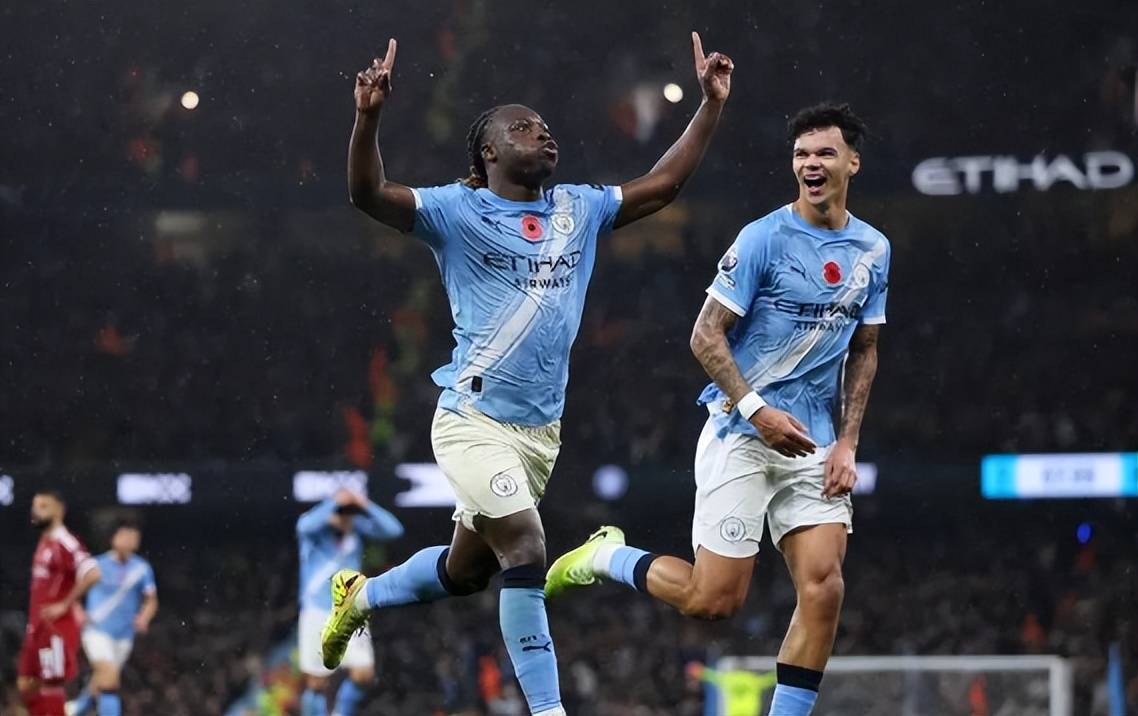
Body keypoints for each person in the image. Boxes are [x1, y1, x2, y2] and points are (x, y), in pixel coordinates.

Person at [321, 32, 734, 716]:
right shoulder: (456, 211)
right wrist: (367, 118)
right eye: (522, 128)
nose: (542, 133)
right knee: (526, 545)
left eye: (544, 127)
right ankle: (548, 711)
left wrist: (710, 105)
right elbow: (367, 194)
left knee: (465, 572)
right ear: (488, 153)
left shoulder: (579, 207)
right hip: (472, 421)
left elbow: (663, 186)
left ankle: (360, 597)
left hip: (539, 434)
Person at [546, 102, 890, 716]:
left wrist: (848, 442)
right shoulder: (763, 238)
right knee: (713, 601)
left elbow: (865, 348)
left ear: (852, 163)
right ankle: (604, 556)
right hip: (743, 433)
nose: (811, 164)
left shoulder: (874, 248)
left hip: (814, 442)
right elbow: (705, 335)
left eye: (825, 153)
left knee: (824, 587)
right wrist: (758, 411)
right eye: (801, 154)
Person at [297, 489, 403, 716]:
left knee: (363, 674)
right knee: (316, 682)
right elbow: (303, 526)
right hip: (316, 611)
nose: (346, 516)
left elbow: (394, 530)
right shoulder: (315, 532)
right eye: (341, 512)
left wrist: (365, 504)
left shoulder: (356, 530)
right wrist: (333, 503)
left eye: (350, 512)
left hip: (349, 610)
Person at [18, 490, 101, 716]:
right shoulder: (45, 541)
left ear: (59, 510)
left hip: (55, 627)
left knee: (50, 685)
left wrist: (65, 604)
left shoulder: (65, 541)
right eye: (35, 506)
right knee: (26, 684)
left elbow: (93, 573)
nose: (36, 511)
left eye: (44, 506)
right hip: (37, 626)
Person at [68, 520, 158, 716]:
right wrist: (78, 612)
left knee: (102, 680)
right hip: (96, 631)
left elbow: (151, 601)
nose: (129, 541)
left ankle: (76, 709)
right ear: (113, 538)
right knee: (109, 677)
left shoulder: (142, 569)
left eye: (134, 537)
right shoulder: (95, 565)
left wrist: (144, 617)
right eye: (125, 535)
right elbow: (73, 594)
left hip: (124, 636)